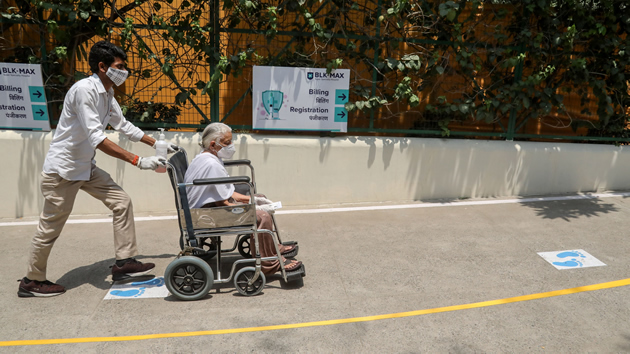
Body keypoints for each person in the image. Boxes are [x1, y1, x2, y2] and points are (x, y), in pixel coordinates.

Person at [17, 41, 179, 298]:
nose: (124, 71)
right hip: (62, 172)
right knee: (49, 229)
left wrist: (155, 143)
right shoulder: (85, 91)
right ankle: (32, 281)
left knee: (121, 202)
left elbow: (123, 125)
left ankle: (124, 262)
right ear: (102, 67)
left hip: (85, 168)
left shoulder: (108, 92)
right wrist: (138, 161)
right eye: (120, 66)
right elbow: (98, 140)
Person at [184, 122, 302, 275]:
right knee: (262, 217)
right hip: (206, 215)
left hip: (203, 209)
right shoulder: (211, 165)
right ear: (213, 144)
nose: (231, 145)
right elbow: (224, 202)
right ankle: (270, 264)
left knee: (260, 197)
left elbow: (227, 193)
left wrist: (253, 199)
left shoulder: (206, 156)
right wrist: (254, 208)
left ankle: (273, 249)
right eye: (227, 142)